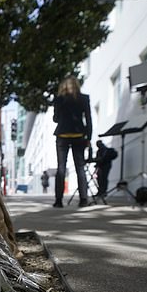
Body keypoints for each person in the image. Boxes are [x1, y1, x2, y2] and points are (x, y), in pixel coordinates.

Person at [52, 76, 92, 208]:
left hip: (62, 135)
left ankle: (58, 201)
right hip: (79, 135)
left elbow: (56, 119)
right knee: (80, 167)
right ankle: (83, 200)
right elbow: (88, 119)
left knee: (61, 168)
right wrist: (89, 137)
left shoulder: (58, 99)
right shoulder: (84, 98)